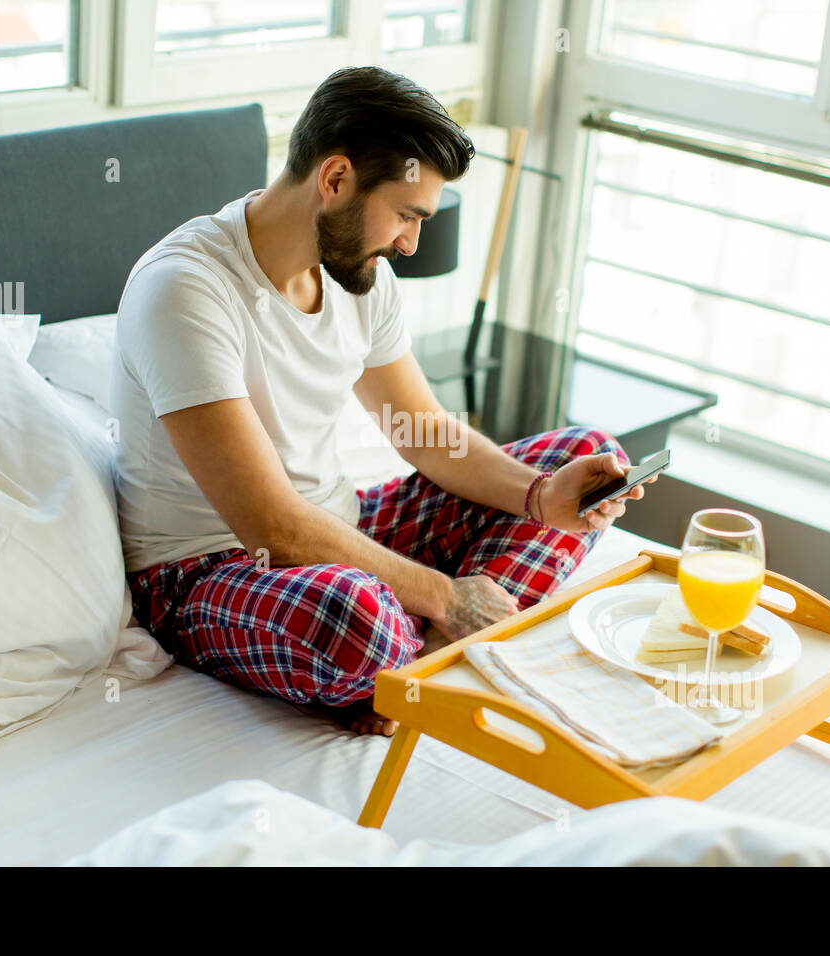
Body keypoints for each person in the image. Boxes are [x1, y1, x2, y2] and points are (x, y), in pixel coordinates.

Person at [109, 66, 652, 736]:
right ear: (335, 181)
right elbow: (273, 528)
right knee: (358, 619)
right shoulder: (186, 291)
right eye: (405, 214)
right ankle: (422, 640)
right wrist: (447, 596)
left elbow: (424, 432)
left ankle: (421, 655)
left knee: (586, 455)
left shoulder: (359, 278)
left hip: (343, 523)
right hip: (205, 572)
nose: (409, 242)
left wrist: (540, 495)